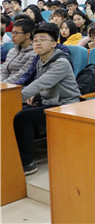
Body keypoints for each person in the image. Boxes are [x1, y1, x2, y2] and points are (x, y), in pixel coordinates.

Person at [13, 22, 81, 175]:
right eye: (35, 40)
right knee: (16, 111)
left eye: (42, 39)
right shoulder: (40, 60)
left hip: (66, 105)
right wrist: (34, 96)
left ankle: (28, 163)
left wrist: (12, 97)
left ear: (54, 44)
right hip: (50, 102)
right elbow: (42, 86)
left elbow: (41, 83)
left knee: (23, 117)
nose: (37, 43)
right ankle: (16, 154)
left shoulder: (61, 62)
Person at [1, 17, 35, 83]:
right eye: (12, 33)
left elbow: (21, 75)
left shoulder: (34, 53)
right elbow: (4, 71)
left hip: (17, 86)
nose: (13, 36)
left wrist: (3, 85)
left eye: (16, 33)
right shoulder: (12, 50)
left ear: (27, 35)